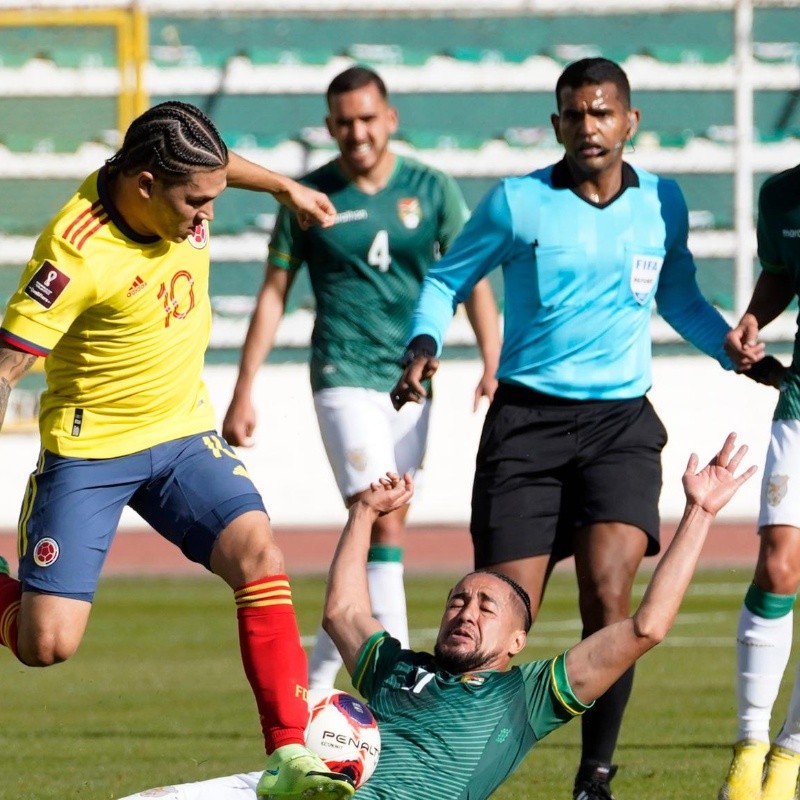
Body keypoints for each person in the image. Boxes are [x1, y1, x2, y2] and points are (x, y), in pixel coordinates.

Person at [389, 57, 752, 800]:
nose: (589, 126)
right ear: (557, 125)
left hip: (621, 426)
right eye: (574, 115)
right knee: (496, 618)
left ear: (629, 121)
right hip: (527, 425)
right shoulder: (517, 204)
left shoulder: (662, 202)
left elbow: (677, 293)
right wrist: (424, 342)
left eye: (601, 112)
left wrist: (730, 350)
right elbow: (443, 280)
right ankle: (439, 768)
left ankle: (595, 776)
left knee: (610, 592)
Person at [0, 101, 356, 800]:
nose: (206, 219)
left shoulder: (183, 186)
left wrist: (283, 186)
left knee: (261, 555)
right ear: (143, 184)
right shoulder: (72, 254)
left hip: (182, 435)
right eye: (194, 203)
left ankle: (288, 753)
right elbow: (5, 366)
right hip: (91, 453)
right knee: (47, 645)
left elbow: (215, 169)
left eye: (213, 197)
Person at [114, 432, 756, 800]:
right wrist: (363, 514)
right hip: (298, 789)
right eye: (457, 599)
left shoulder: (525, 697)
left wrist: (699, 513)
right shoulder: (398, 671)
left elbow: (646, 628)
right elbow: (342, 610)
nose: (465, 611)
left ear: (517, 639)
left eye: (485, 605)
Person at [222, 65, 500, 689]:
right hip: (341, 371)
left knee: (379, 523)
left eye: (368, 118)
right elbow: (273, 293)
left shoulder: (431, 189)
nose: (358, 132)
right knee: (382, 510)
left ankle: (314, 692)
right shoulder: (309, 196)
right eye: (344, 122)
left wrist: (492, 360)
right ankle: (397, 686)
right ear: (330, 126)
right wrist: (245, 387)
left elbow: (471, 276)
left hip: (413, 380)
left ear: (390, 119)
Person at [716, 163, 800, 800]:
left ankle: (790, 759)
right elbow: (781, 272)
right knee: (779, 565)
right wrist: (754, 318)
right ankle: (749, 748)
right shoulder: (780, 196)